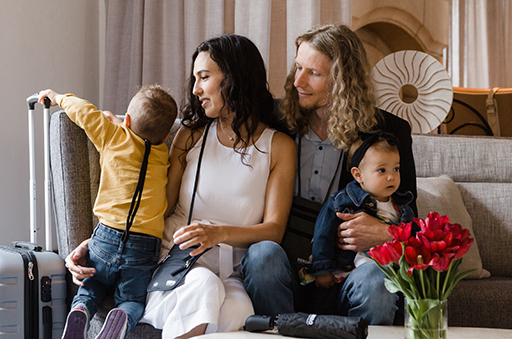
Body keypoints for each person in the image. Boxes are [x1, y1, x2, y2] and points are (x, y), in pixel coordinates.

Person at [65, 34, 297, 338]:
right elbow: (154, 204)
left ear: (235, 78)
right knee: (204, 285)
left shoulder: (278, 146)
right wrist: (96, 244)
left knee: (241, 312)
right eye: (195, 79)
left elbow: (274, 229)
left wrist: (219, 233)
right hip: (172, 268)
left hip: (230, 276)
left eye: (204, 77)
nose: (195, 89)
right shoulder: (191, 136)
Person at [242, 24, 418, 325]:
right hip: (283, 267)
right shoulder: (271, 118)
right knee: (261, 257)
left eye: (314, 73)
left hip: (346, 273)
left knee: (378, 280)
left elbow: (414, 220)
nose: (298, 81)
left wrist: (384, 234)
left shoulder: (390, 132)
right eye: (298, 67)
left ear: (342, 82)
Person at [38, 85, 177, 338]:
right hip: (144, 246)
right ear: (168, 134)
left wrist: (58, 97)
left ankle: (80, 310)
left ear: (127, 120)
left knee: (91, 288)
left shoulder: (112, 137)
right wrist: (122, 123)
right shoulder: (163, 156)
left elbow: (84, 111)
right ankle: (122, 315)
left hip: (105, 239)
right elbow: (142, 143)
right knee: (133, 300)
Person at [307, 131, 414, 289]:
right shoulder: (342, 202)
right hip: (348, 274)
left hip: (393, 276)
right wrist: (322, 271)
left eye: (396, 169)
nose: (391, 177)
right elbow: (323, 235)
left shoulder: (402, 204)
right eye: (382, 170)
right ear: (358, 175)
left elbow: (415, 236)